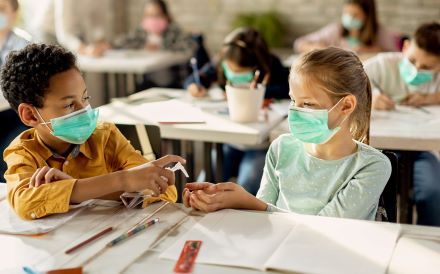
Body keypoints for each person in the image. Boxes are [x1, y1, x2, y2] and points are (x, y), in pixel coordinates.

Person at [183, 47, 391, 221]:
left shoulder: (372, 166)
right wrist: (223, 202)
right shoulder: (282, 147)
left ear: (346, 105)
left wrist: (249, 203)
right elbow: (263, 221)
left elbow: (327, 231)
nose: (295, 111)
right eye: (294, 101)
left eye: (308, 104)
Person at [1, 44, 185, 220]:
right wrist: (122, 181)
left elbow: (164, 191)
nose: (85, 111)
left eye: (85, 98)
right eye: (69, 105)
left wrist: (76, 189)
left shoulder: (105, 137)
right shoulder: (22, 152)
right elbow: (24, 202)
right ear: (30, 115)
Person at [184, 27, 290, 195]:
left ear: (257, 67)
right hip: (229, 143)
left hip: (260, 146)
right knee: (204, 184)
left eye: (241, 72)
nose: (234, 74)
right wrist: (194, 86)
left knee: (245, 187)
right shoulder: (221, 61)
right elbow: (194, 78)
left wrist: (262, 91)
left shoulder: (272, 66)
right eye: (231, 70)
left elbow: (288, 88)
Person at [364, 22, 440, 226]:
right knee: (373, 189)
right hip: (379, 147)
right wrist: (372, 96)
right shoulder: (382, 64)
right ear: (405, 47)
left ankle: (428, 245)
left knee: (433, 191)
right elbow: (349, 82)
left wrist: (431, 97)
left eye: (426, 67)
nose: (416, 69)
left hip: (423, 150)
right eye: (413, 60)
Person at [113, 0, 196, 90]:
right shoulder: (142, 32)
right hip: (149, 83)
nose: (152, 19)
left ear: (166, 16)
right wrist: (110, 45)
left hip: (172, 84)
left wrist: (161, 47)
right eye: (149, 15)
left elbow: (190, 47)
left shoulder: (174, 31)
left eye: (157, 15)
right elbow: (123, 41)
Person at [294, 0, 400, 54]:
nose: (349, 18)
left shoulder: (380, 33)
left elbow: (395, 56)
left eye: (355, 15)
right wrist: (319, 49)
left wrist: (373, 50)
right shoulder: (335, 30)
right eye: (346, 13)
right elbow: (299, 43)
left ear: (367, 17)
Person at [0, 0, 30, 180]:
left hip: (14, 115)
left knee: (8, 160)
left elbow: (22, 89)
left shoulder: (24, 46)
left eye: (2, 9)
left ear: (14, 13)